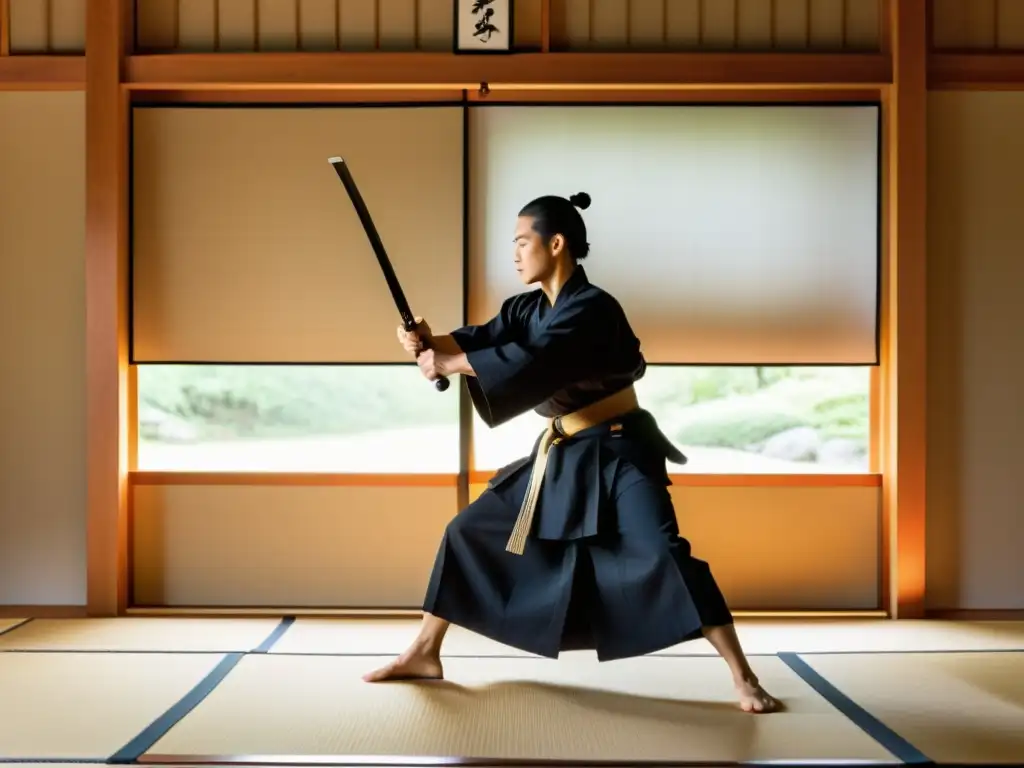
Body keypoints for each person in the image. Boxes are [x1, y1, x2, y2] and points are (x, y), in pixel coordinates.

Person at [363, 192, 779, 714]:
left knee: (666, 551)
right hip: (563, 452)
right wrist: (429, 342)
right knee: (466, 531)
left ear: (555, 243)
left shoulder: (593, 309)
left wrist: (449, 363)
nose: (514, 254)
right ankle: (424, 652)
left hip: (621, 449)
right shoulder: (526, 308)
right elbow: (484, 339)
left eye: (521, 241)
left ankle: (744, 678)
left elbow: (532, 359)